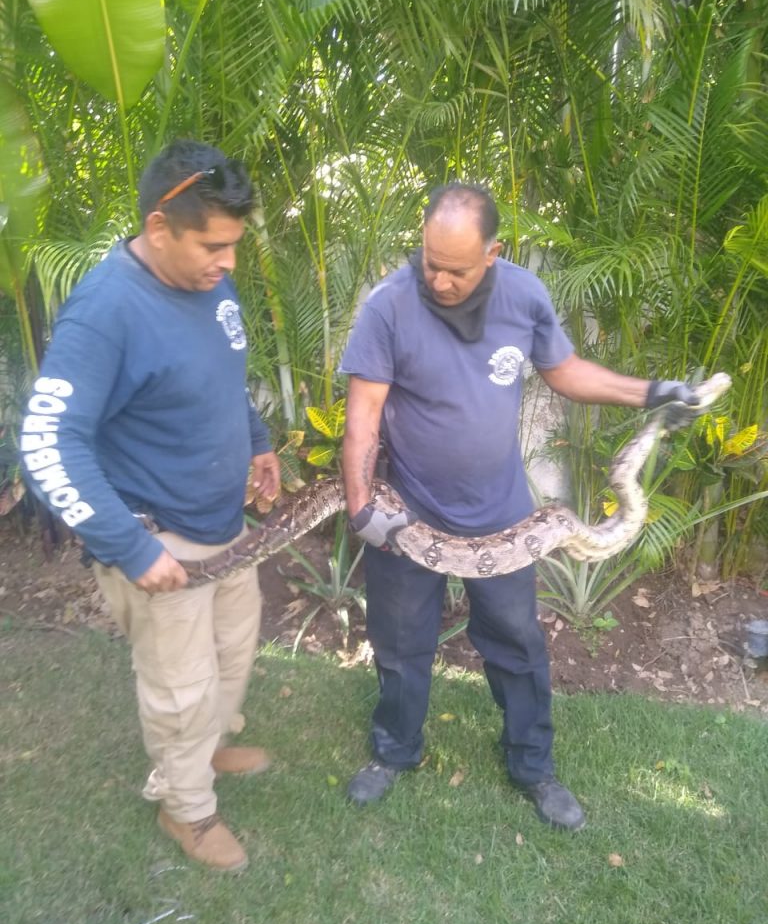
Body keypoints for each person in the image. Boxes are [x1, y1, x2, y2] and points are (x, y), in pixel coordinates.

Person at [339, 182, 698, 831]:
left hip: (501, 515)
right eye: (430, 261)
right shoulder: (388, 307)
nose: (440, 280)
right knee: (398, 641)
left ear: (494, 253)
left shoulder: (524, 295)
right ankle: (394, 751)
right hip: (407, 512)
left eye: (456, 268)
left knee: (515, 643)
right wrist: (365, 510)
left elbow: (566, 372)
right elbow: (362, 418)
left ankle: (533, 767)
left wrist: (651, 392)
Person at [20, 140, 280, 872]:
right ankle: (186, 811)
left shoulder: (210, 281)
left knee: (232, 653)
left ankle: (206, 751)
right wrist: (132, 548)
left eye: (233, 245)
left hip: (226, 527)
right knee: (180, 687)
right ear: (160, 226)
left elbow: (224, 373)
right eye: (213, 245)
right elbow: (46, 443)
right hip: (160, 536)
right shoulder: (106, 310)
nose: (227, 262)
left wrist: (257, 441)